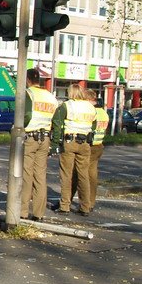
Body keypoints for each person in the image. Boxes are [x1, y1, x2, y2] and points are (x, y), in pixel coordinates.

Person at [50, 83, 96, 215]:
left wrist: (55, 144)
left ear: (70, 93)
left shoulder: (67, 105)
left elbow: (57, 123)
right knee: (83, 175)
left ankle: (65, 206)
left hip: (69, 142)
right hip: (85, 143)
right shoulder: (90, 107)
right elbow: (94, 125)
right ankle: (85, 207)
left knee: (66, 175)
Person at [20, 68, 58, 221]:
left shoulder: (29, 94)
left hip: (30, 136)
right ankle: (39, 213)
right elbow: (55, 119)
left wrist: (18, 127)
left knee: (27, 175)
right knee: (40, 176)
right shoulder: (50, 97)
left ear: (28, 79)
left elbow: (27, 114)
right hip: (45, 137)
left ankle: (22, 211)